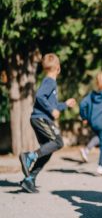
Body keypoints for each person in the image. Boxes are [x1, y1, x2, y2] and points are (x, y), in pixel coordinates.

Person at [18, 53, 76, 193]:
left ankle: (30, 179)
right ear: (58, 68)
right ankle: (29, 156)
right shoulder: (50, 81)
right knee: (58, 142)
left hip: (39, 118)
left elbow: (52, 104)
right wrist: (51, 110)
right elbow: (39, 96)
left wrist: (65, 105)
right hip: (41, 118)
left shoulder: (48, 81)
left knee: (47, 150)